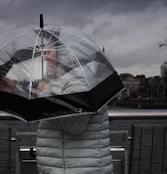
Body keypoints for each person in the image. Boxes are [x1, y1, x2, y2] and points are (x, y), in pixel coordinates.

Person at [35, 34, 114, 174]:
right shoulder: (65, 80)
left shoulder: (79, 81)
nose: (45, 57)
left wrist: (46, 94)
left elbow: (74, 125)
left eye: (48, 52)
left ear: (64, 54)